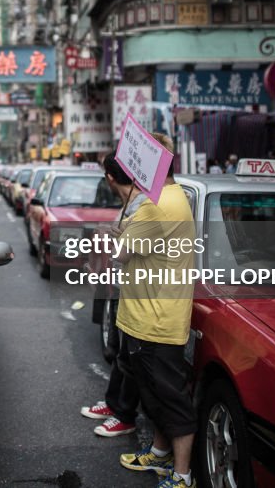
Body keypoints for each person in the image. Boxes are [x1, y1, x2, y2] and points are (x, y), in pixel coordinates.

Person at [110, 133, 197, 488]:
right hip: (153, 316)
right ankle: (160, 455)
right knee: (157, 397)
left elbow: (121, 252)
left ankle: (182, 475)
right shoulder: (171, 196)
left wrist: (125, 223)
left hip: (154, 321)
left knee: (172, 403)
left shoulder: (155, 204)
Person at [80, 154, 145, 438]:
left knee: (129, 357)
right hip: (120, 286)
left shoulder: (142, 204)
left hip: (134, 289)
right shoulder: (131, 203)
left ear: (108, 178)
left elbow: (128, 249)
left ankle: (125, 415)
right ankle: (113, 403)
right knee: (119, 352)